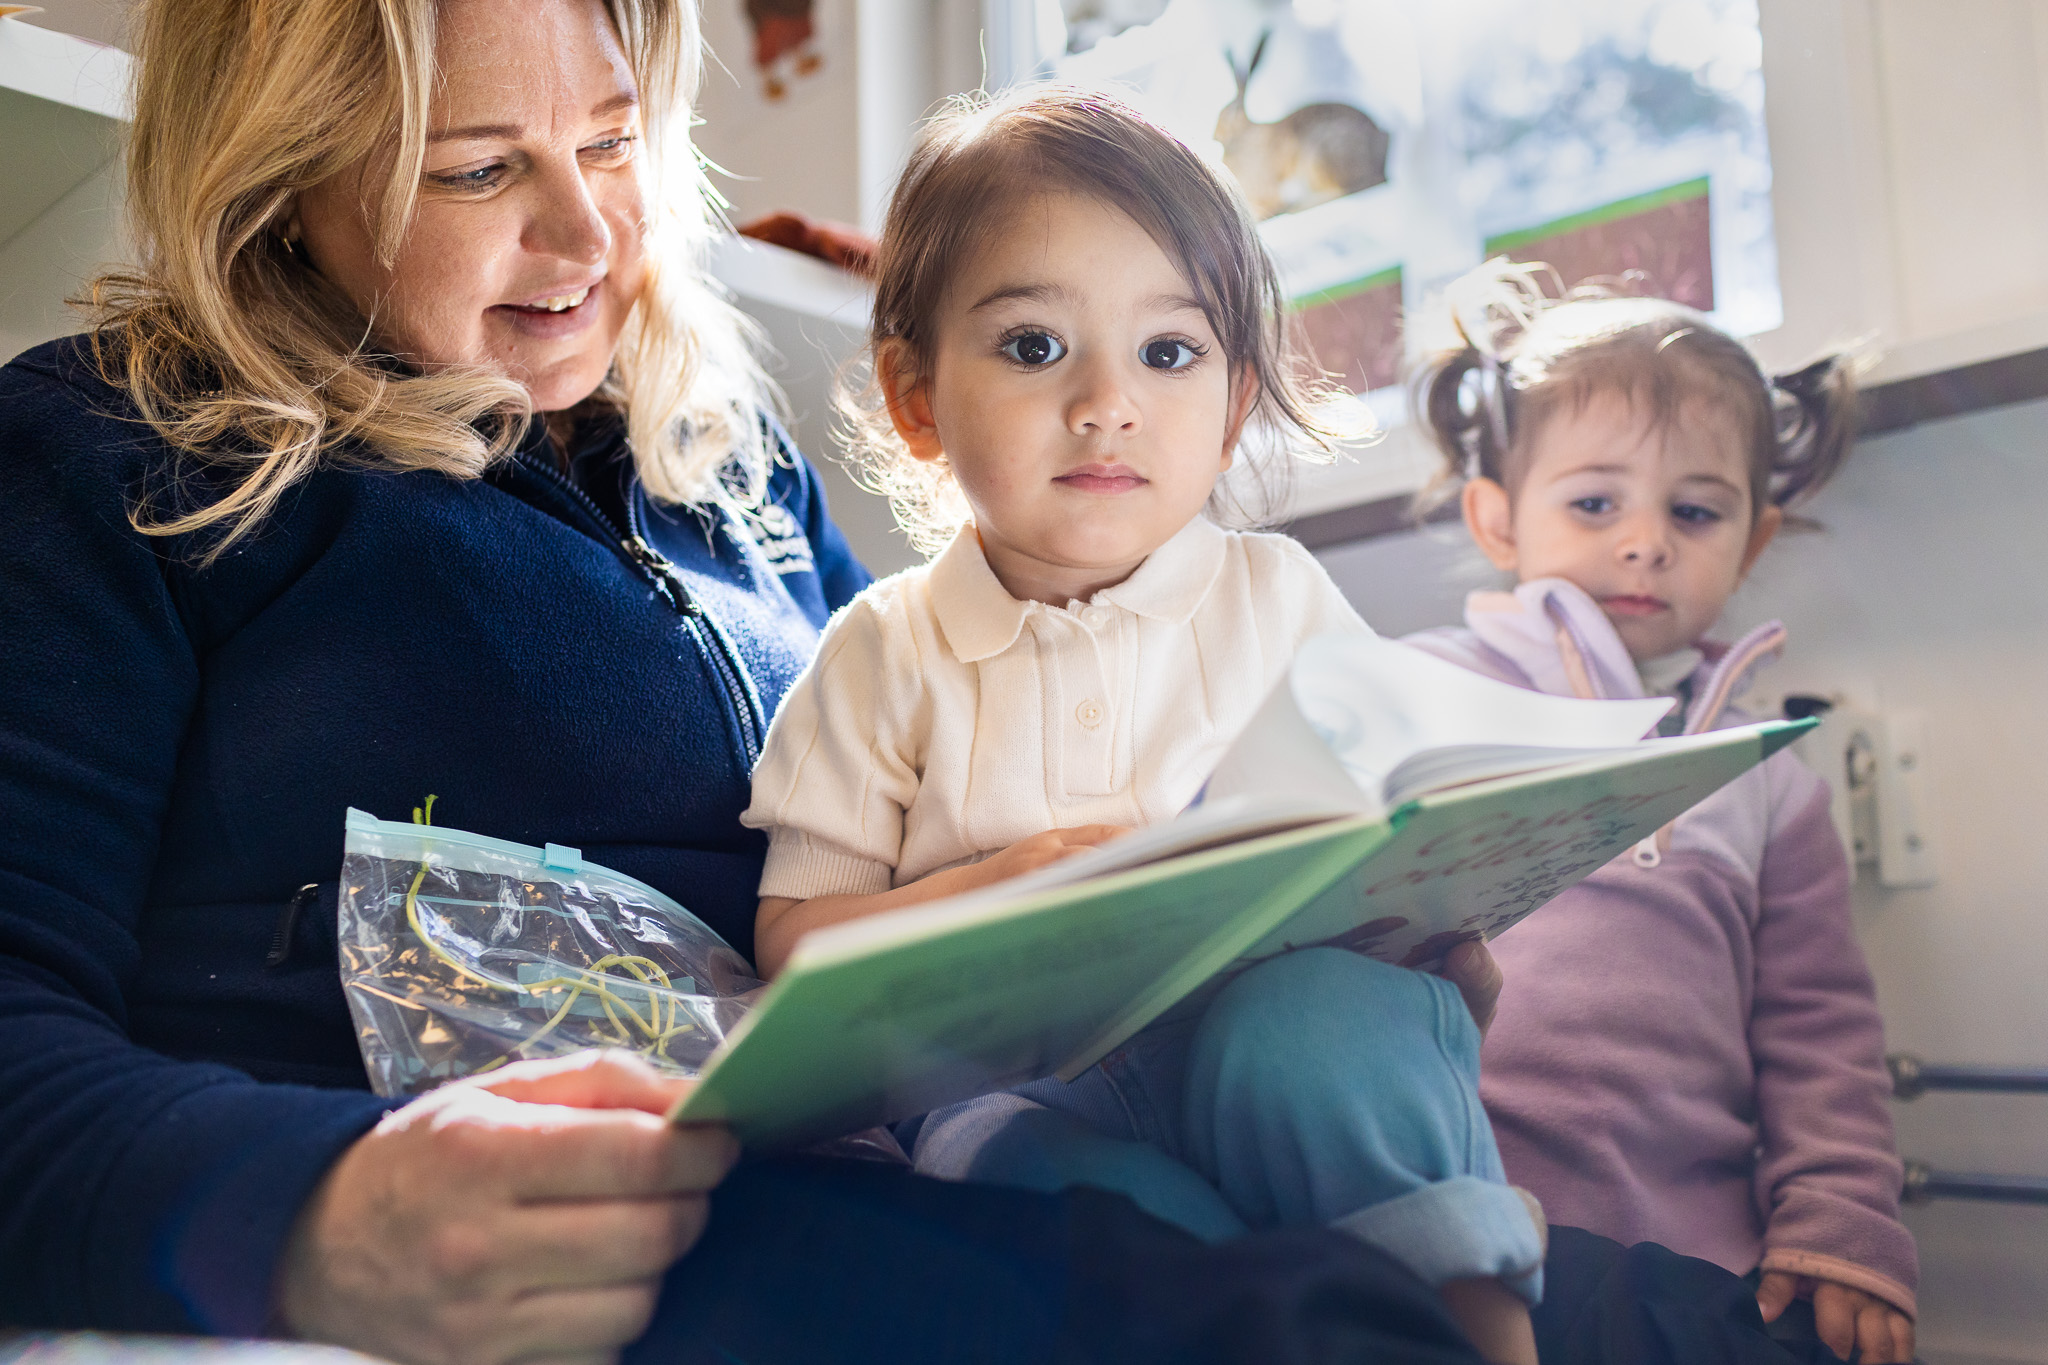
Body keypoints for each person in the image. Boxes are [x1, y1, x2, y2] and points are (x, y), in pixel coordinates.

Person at [0, 0, 1528, 1361]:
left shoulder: (731, 471)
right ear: (278, 179)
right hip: (587, 1218)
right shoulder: (113, 457)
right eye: (477, 169)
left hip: (872, 1148)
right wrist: (320, 1210)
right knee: (1302, 1325)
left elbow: (939, 823)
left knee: (1608, 1300)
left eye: (613, 143)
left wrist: (1311, 921)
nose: (588, 235)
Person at [740, 89, 1545, 1365]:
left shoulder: (1277, 598)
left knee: (1326, 1032)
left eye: (1167, 354)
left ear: (1231, 405)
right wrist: (993, 884)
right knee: (1039, 1188)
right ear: (916, 397)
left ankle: (1480, 1337)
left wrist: (1437, 922)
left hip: (1272, 1027)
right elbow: (793, 942)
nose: (1106, 403)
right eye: (1032, 347)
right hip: (1011, 1089)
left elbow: (1391, 825)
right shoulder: (879, 651)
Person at [1402, 262, 1918, 1364]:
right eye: (1595, 503)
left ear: (1752, 541)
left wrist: (1840, 1219)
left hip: (1693, 1262)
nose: (1645, 541)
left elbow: (1819, 1034)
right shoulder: (1425, 696)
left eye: (1693, 511)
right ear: (1497, 519)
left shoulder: (1770, 780)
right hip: (1441, 1213)